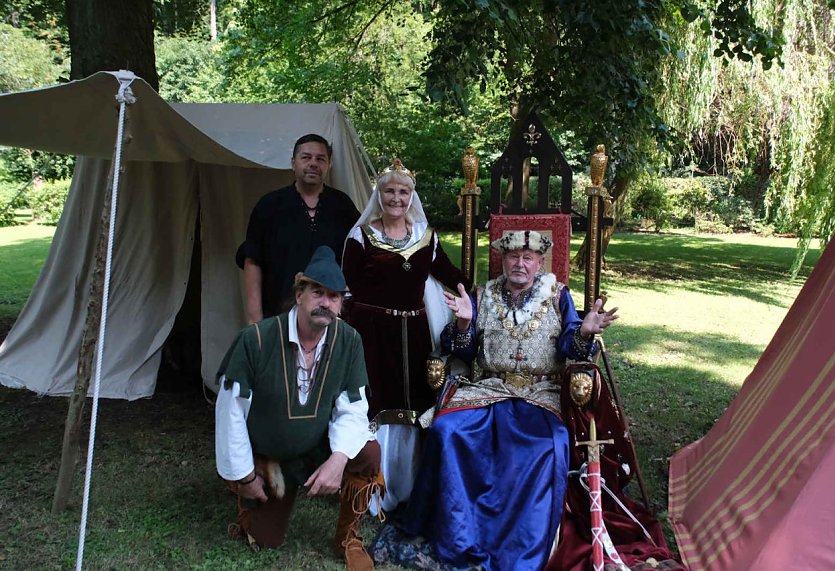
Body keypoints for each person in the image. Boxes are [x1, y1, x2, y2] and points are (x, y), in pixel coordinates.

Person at [399, 229, 618, 571]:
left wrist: (585, 331)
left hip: (539, 392)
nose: (520, 263)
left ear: (539, 262)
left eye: (527, 257)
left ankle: (523, 544)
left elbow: (569, 347)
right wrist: (463, 322)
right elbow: (464, 349)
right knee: (446, 430)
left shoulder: (559, 295)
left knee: (550, 442)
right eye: (513, 256)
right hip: (488, 388)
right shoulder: (482, 294)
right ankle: (451, 530)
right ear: (502, 260)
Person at [215, 246, 383, 571]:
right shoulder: (256, 340)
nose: (326, 303)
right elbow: (229, 413)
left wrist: (338, 459)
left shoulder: (349, 341)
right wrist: (245, 476)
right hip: (273, 454)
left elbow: (354, 407)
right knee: (265, 540)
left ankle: (348, 537)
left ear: (342, 304)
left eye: (334, 297)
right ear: (299, 294)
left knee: (369, 454)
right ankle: (256, 481)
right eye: (318, 292)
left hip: (317, 445)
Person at [341, 158, 471, 512]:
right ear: (378, 194)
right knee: (375, 405)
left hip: (414, 334)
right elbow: (347, 287)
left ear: (412, 196)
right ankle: (371, 489)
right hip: (372, 335)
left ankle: (410, 488)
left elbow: (449, 272)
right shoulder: (361, 237)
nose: (396, 198)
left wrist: (483, 293)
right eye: (389, 191)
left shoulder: (425, 237)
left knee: (415, 407)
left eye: (403, 191)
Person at [236, 133, 360, 323]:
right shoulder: (270, 206)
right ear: (293, 163)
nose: (313, 163)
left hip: (329, 318)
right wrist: (255, 318)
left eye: (320, 159)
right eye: (306, 157)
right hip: (278, 315)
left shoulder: (343, 207)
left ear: (329, 165)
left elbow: (358, 261)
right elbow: (253, 261)